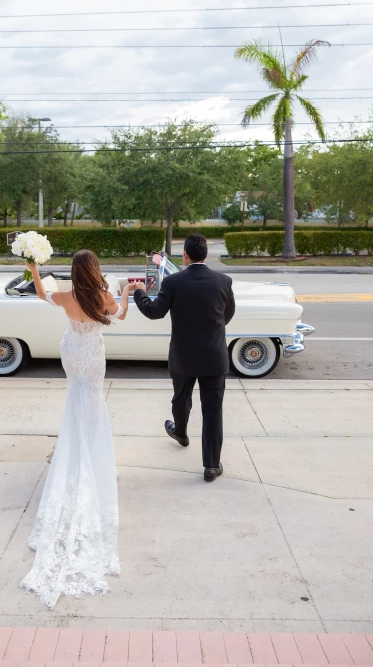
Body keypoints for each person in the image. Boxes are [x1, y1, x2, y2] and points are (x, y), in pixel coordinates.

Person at [21, 249, 130, 608]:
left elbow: (39, 294)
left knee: (76, 398)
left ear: (73, 270)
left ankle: (74, 453)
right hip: (93, 353)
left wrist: (34, 269)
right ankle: (93, 460)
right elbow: (122, 315)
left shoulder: (67, 297)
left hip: (72, 350)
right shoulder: (104, 296)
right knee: (94, 402)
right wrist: (126, 291)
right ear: (95, 269)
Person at [132, 234, 235, 482]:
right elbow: (227, 314)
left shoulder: (173, 281)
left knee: (181, 398)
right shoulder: (223, 280)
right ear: (206, 254)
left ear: (185, 256)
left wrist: (139, 293)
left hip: (183, 355)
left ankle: (180, 432)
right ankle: (211, 466)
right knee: (213, 412)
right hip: (213, 356)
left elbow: (154, 312)